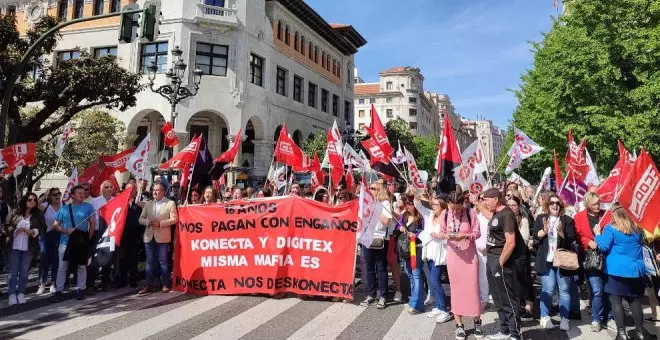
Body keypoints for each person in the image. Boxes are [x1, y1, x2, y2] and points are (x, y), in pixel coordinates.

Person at [594, 204, 646, 340]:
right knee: (635, 302)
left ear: (614, 214)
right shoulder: (636, 229)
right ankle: (640, 333)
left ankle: (622, 334)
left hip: (616, 271)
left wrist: (597, 234)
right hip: (635, 270)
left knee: (616, 301)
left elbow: (603, 246)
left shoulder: (611, 228)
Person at [437, 192, 483, 339]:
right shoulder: (445, 213)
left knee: (473, 289)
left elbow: (477, 233)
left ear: (463, 204)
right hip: (453, 257)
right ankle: (459, 325)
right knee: (456, 290)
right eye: (453, 209)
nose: (455, 212)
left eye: (457, 209)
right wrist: (444, 236)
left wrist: (466, 236)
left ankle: (477, 323)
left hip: (469, 256)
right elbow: (442, 232)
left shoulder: (470, 213)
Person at [481, 188, 523, 340]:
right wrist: (476, 203)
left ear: (495, 199)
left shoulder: (506, 214)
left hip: (501, 261)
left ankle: (515, 333)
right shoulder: (496, 213)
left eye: (486, 200)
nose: (485, 203)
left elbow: (511, 242)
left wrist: (500, 263)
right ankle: (504, 329)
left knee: (507, 298)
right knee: (498, 297)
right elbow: (487, 215)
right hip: (492, 259)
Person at [532, 193, 577, 331]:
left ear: (561, 206)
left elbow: (571, 239)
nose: (555, 205)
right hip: (547, 260)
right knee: (548, 289)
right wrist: (544, 230)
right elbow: (535, 236)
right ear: (547, 205)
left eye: (557, 203)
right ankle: (545, 316)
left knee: (564, 290)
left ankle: (564, 318)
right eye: (552, 203)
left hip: (562, 260)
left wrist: (562, 233)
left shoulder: (567, 220)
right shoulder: (541, 218)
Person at [574, 192, 614, 332]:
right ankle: (596, 319)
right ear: (588, 205)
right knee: (597, 290)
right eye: (594, 204)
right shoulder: (579, 217)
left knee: (608, 290)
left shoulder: (607, 215)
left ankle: (609, 317)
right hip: (591, 258)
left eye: (598, 203)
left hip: (608, 257)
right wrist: (587, 241)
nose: (598, 206)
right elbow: (577, 235)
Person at [51, 185, 96, 301]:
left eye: (83, 192)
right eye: (79, 193)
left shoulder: (89, 207)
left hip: (81, 242)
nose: (82, 194)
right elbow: (55, 225)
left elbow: (92, 223)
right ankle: (59, 290)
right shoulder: (64, 209)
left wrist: (88, 238)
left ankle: (81, 289)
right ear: (72, 195)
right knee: (62, 266)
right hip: (65, 242)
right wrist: (65, 230)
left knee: (81, 266)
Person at [413, 193, 452, 323]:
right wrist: (416, 194)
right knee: (433, 280)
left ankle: (445, 309)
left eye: (436, 204)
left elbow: (450, 235)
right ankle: (439, 306)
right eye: (433, 204)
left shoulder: (447, 217)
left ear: (442, 206)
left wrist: (440, 235)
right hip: (429, 252)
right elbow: (418, 205)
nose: (433, 206)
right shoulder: (429, 215)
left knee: (435, 281)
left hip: (439, 254)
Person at [358, 181, 394, 309]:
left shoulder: (384, 204)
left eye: (373, 188)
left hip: (380, 238)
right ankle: (371, 294)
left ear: (379, 190)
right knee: (369, 267)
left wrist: (376, 209)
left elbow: (387, 222)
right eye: (370, 188)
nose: (370, 190)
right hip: (366, 237)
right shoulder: (366, 203)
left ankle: (383, 295)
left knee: (381, 267)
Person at [138, 183, 178, 295]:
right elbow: (141, 219)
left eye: (158, 190)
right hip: (149, 236)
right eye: (154, 190)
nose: (155, 192)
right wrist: (148, 222)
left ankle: (165, 283)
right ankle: (148, 284)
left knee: (163, 261)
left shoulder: (170, 203)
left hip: (163, 236)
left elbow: (174, 219)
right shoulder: (148, 203)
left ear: (164, 191)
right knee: (150, 262)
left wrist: (160, 223)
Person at [6, 193, 45, 305]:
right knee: (13, 273)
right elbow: (6, 226)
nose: (32, 201)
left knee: (23, 273)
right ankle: (12, 294)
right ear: (24, 201)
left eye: (34, 200)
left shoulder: (38, 214)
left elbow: (43, 228)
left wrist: (33, 231)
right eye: (30, 199)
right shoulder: (15, 212)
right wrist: (14, 230)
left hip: (29, 248)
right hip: (14, 247)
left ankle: (21, 293)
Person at [506, 195, 535, 321]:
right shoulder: (505, 218)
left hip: (521, 253)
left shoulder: (523, 220)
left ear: (519, 207)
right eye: (509, 205)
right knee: (513, 282)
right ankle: (517, 306)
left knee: (524, 280)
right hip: (509, 254)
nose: (512, 207)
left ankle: (529, 307)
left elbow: (524, 238)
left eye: (514, 205)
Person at [398, 194, 425, 314]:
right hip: (406, 249)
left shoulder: (421, 218)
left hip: (417, 248)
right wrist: (400, 228)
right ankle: (414, 298)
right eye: (406, 203)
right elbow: (398, 225)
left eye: (410, 203)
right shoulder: (404, 215)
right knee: (409, 274)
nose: (407, 206)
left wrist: (416, 235)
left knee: (416, 274)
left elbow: (425, 232)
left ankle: (417, 304)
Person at [88, 180, 115, 292]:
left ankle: (105, 283)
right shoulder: (94, 201)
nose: (109, 189)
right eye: (106, 187)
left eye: (110, 187)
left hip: (110, 233)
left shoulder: (116, 200)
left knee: (108, 258)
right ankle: (90, 284)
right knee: (94, 258)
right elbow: (91, 218)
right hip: (97, 232)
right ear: (101, 189)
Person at [116, 184, 142, 288]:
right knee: (122, 259)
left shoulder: (138, 206)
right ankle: (122, 280)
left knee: (133, 259)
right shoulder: (120, 204)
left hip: (134, 236)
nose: (131, 191)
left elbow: (141, 220)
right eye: (129, 189)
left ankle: (133, 280)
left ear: (136, 192)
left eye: (133, 189)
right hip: (122, 236)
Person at [37, 188, 62, 295]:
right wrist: (44, 195)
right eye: (54, 194)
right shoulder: (46, 205)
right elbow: (36, 205)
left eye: (58, 194)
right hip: (46, 236)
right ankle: (42, 284)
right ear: (50, 196)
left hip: (59, 235)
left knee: (56, 259)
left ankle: (53, 283)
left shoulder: (63, 206)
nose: (57, 196)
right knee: (44, 259)